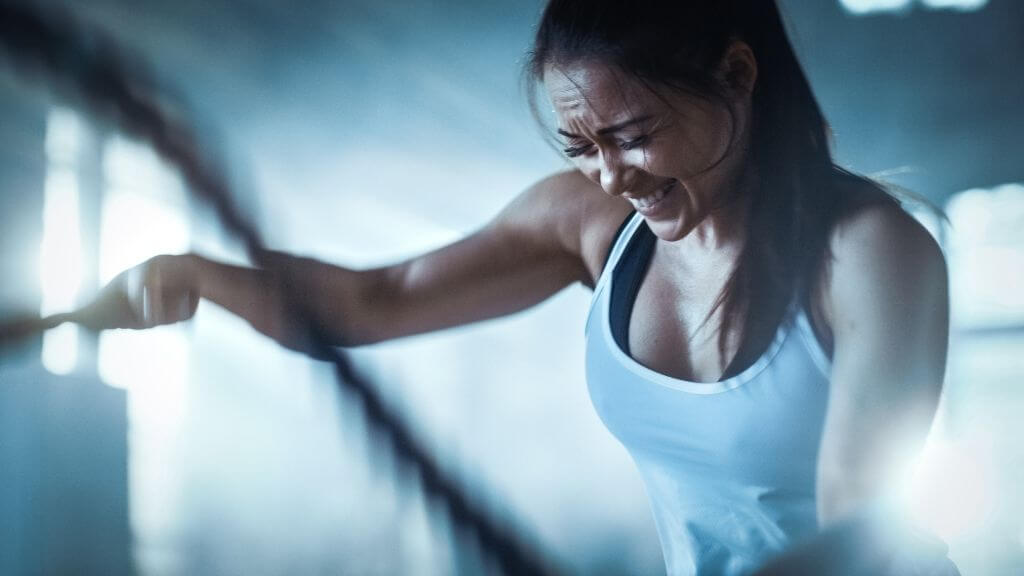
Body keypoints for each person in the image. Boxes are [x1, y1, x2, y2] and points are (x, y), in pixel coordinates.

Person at [71, 1, 952, 574]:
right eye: (582, 147)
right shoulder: (590, 225)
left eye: (634, 134)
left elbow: (859, 530)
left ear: (738, 75)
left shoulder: (871, 253)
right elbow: (370, 303)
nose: (612, 177)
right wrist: (192, 274)